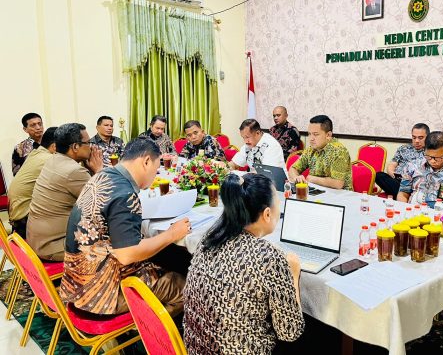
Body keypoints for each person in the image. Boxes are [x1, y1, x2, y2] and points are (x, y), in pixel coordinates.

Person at [60, 138, 191, 317]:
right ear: (146, 161)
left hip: (75, 282)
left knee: (168, 256)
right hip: (101, 292)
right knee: (189, 287)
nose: (155, 173)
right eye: (156, 166)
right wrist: (172, 234)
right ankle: (151, 334)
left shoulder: (103, 176)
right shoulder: (125, 194)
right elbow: (127, 255)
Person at [183, 173, 304, 354]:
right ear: (267, 214)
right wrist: (293, 275)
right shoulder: (269, 257)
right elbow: (290, 331)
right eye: (278, 204)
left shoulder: (210, 237)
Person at [26, 123, 103, 261]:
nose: (91, 146)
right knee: (116, 241)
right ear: (75, 147)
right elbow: (104, 202)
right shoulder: (74, 171)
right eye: (88, 142)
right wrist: (99, 171)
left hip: (38, 239)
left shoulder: (54, 159)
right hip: (53, 245)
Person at [7, 127, 57, 238]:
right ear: (55, 146)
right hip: (24, 217)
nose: (38, 127)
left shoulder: (36, 153)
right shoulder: (49, 159)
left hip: (17, 212)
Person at [288, 115, 352, 190]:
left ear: (328, 135)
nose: (311, 139)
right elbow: (293, 168)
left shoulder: (339, 151)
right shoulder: (310, 150)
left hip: (340, 196)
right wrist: (296, 177)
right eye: (309, 134)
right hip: (317, 192)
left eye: (315, 134)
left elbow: (337, 184)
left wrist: (312, 179)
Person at [375, 123, 430, 197]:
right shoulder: (403, 148)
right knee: (379, 175)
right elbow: (392, 165)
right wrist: (393, 174)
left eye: (420, 138)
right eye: (414, 137)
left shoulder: (431, 152)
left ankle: (399, 194)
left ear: (428, 137)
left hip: (413, 183)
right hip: (397, 180)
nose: (416, 141)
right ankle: (402, 194)